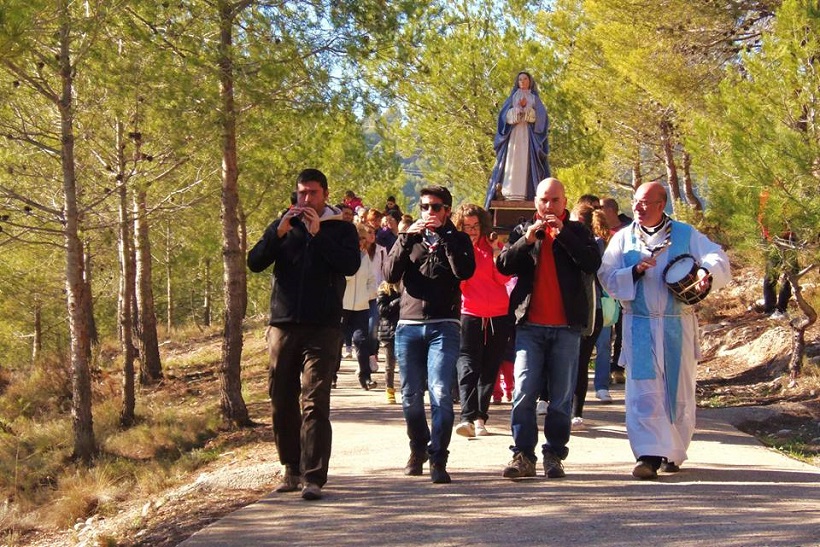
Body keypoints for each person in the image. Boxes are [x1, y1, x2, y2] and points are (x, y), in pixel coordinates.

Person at [598, 181, 730, 480]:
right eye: (635, 201)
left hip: (675, 323)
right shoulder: (623, 238)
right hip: (640, 323)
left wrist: (704, 272)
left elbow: (717, 256)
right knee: (644, 391)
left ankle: (673, 451)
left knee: (677, 388)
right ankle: (647, 454)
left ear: (662, 204)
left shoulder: (684, 234)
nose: (638, 207)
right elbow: (606, 275)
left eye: (645, 202)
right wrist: (634, 271)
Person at [247, 168, 360, 501]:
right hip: (283, 324)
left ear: (325, 193)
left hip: (323, 326)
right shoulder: (284, 224)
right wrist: (276, 234)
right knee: (281, 397)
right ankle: (290, 468)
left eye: (312, 193)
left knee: (315, 399)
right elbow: (255, 262)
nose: (305, 199)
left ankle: (313, 476)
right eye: (301, 193)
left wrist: (317, 234)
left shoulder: (341, 229)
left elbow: (349, 265)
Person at [497, 177, 601, 480]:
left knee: (561, 397)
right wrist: (526, 241)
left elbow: (591, 263)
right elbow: (503, 265)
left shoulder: (578, 231)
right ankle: (523, 455)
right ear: (535, 203)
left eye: (555, 200)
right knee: (524, 393)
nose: (549, 206)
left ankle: (554, 455)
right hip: (529, 326)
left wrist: (563, 234)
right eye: (544, 200)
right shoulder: (522, 230)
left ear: (564, 203)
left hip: (566, 327)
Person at [383, 185, 476, 484]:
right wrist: (404, 237)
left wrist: (446, 238)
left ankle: (439, 457)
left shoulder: (458, 239)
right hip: (408, 325)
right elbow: (389, 274)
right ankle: (417, 448)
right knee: (410, 395)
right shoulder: (410, 238)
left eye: (436, 207)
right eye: (425, 207)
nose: (429, 212)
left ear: (447, 210)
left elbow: (464, 271)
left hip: (444, 324)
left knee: (439, 392)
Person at [452, 204, 512, 438]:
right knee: (468, 366)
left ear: (483, 225)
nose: (472, 230)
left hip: (498, 313)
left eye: (475, 226)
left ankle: (480, 417)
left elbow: (504, 278)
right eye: (466, 226)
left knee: (490, 367)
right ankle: (466, 417)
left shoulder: (493, 246)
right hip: (469, 313)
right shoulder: (457, 248)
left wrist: (498, 253)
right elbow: (459, 283)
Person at [484, 71, 551, 208]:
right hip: (513, 137)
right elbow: (503, 118)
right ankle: (508, 194)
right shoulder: (513, 98)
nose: (522, 81)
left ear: (530, 81)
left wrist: (528, 113)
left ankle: (526, 193)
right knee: (511, 163)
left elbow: (542, 119)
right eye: (520, 79)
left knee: (526, 162)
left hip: (528, 137)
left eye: (525, 79)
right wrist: (513, 113)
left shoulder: (534, 99)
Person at [569, 204, 609, 430]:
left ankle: (576, 412)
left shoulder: (596, 245)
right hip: (574, 310)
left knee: (581, 361)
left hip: (591, 311)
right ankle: (567, 409)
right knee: (571, 363)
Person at [342, 222, 378, 390]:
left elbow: (371, 280)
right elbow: (342, 278)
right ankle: (332, 375)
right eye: (357, 238)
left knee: (360, 341)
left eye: (363, 238)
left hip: (361, 307)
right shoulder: (342, 254)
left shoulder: (365, 258)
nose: (361, 241)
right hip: (343, 305)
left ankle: (366, 377)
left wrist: (367, 294)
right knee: (336, 342)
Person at [600, 197, 632, 384]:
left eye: (601, 208)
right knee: (604, 331)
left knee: (621, 329)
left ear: (611, 210)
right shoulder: (599, 230)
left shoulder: (628, 230)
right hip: (604, 289)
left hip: (623, 285)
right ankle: (603, 371)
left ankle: (618, 368)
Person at [762, 230, 799, 320]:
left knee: (789, 275)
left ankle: (782, 308)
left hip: (789, 240)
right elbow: (763, 224)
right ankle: (770, 308)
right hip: (774, 241)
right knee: (771, 276)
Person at [376, 280, 401, 404]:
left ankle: (408, 391)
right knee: (390, 365)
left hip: (403, 329)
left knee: (405, 364)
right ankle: (389, 390)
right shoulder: (384, 289)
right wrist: (397, 302)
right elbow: (382, 310)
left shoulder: (406, 287)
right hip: (389, 331)